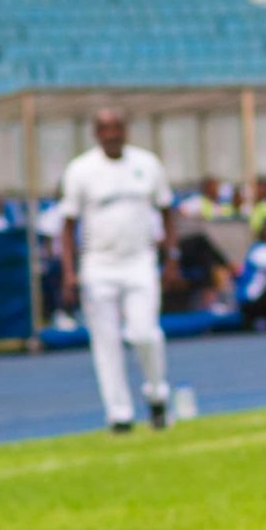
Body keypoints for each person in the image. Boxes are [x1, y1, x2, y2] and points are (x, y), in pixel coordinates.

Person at [59, 107, 179, 433]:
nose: (112, 134)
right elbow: (67, 225)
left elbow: (168, 212)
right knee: (106, 342)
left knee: (144, 333)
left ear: (126, 130)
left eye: (117, 127)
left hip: (140, 261)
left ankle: (156, 394)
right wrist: (69, 272)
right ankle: (119, 414)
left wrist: (171, 258)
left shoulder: (147, 164)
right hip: (99, 265)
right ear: (96, 134)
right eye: (105, 128)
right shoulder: (80, 170)